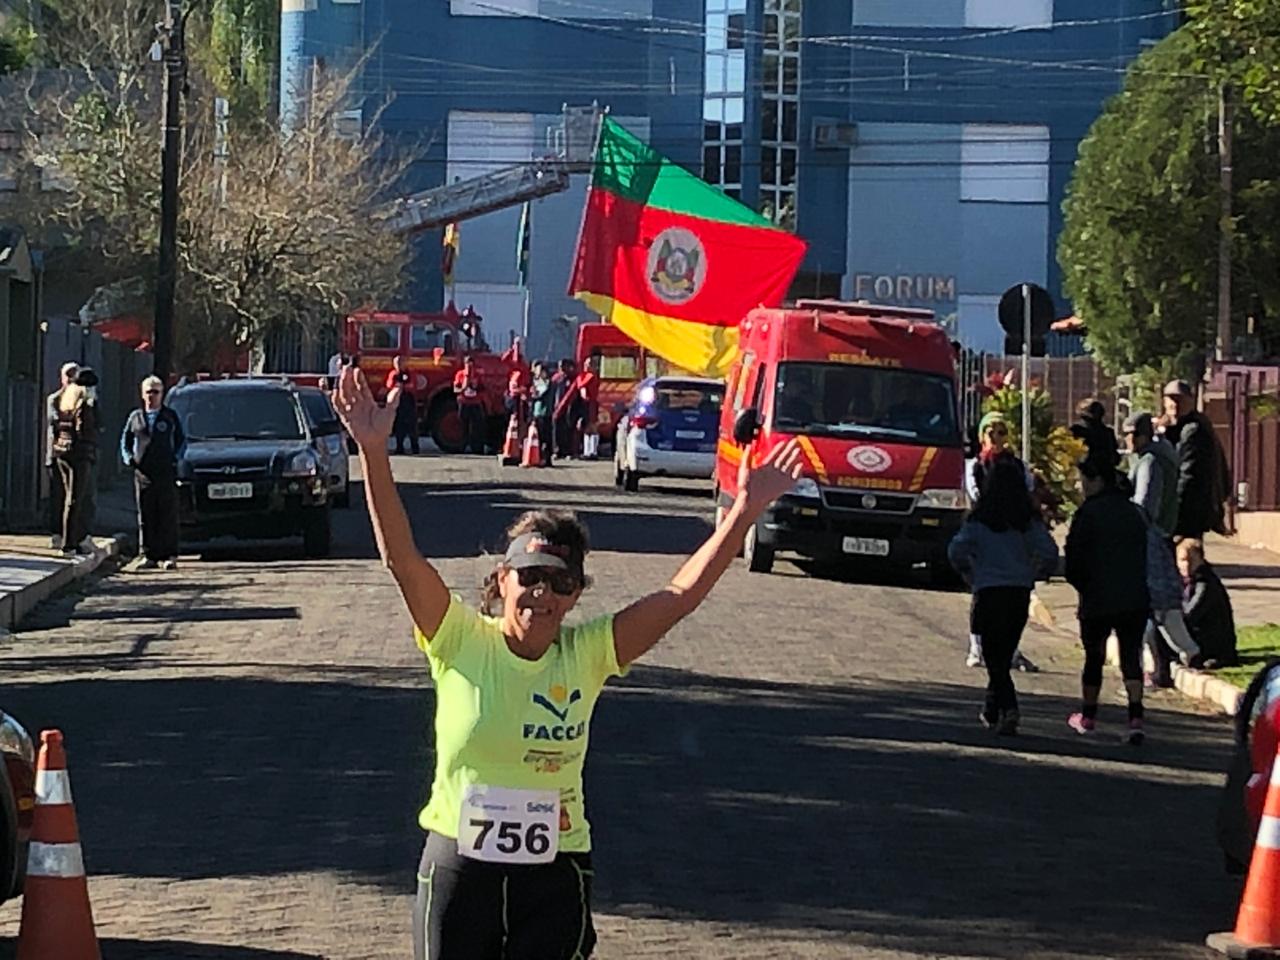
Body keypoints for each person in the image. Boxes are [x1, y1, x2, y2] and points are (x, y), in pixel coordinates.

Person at [331, 365, 802, 960]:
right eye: (529, 577)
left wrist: (743, 511)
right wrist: (373, 451)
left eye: (560, 584)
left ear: (577, 594)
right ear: (501, 581)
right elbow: (401, 556)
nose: (542, 595)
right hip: (460, 866)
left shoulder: (586, 655)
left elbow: (679, 596)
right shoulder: (457, 639)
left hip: (554, 873)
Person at [947, 453, 1059, 735]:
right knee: (1004, 653)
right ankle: (992, 708)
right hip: (1018, 593)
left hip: (988, 591)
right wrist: (1035, 572)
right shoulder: (1027, 522)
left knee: (993, 656)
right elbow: (1049, 552)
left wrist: (968, 572)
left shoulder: (980, 521)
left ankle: (1008, 708)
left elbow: (955, 550)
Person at [1064, 457, 1151, 744]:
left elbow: (1073, 560)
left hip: (1097, 596)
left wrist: (1082, 585)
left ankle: (1088, 716)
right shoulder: (1135, 513)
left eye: (1085, 481)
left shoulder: (1087, 513)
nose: (1082, 486)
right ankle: (1136, 718)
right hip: (1134, 595)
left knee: (1094, 657)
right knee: (1131, 656)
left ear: (1098, 481)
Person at [1124, 413, 1199, 685]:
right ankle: (1167, 662)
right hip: (1160, 535)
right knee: (1159, 605)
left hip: (1149, 539)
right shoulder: (1160, 456)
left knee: (1151, 605)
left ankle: (1160, 666)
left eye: (1131, 434)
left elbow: (1145, 506)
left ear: (1142, 435)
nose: (1127, 440)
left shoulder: (1150, 462)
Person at [962, 412, 1038, 673]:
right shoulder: (975, 466)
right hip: (985, 531)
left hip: (1013, 531)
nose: (996, 438)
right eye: (990, 432)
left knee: (1014, 606)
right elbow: (974, 494)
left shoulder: (1018, 466)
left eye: (1001, 432)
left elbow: (1028, 491)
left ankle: (1012, 651)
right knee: (981, 598)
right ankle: (976, 647)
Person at [121, 375, 185, 570]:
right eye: (148, 392)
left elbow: (181, 441)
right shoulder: (135, 417)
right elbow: (125, 440)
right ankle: (148, 554)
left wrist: (176, 459)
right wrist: (129, 458)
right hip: (143, 473)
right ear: (142, 394)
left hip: (165, 472)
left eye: (155, 392)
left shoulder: (170, 416)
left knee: (166, 513)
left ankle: (168, 555)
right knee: (146, 514)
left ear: (162, 394)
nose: (152, 396)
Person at [1163, 379, 1231, 541]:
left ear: (1190, 401)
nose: (1175, 404)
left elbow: (1189, 476)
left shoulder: (1194, 431)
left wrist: (1172, 512)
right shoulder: (1183, 427)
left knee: (1187, 558)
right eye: (1171, 399)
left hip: (1189, 513)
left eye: (1180, 399)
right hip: (1194, 511)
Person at [51, 367, 100, 556]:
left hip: (62, 451)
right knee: (76, 499)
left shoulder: (65, 401)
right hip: (80, 454)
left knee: (68, 498)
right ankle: (70, 543)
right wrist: (93, 439)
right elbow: (84, 429)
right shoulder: (85, 405)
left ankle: (71, 540)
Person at [1179, 539, 1239, 669]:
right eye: (1183, 560)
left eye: (1192, 560)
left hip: (1214, 645)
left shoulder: (1206, 583)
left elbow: (1192, 614)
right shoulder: (1183, 581)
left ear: (1201, 559)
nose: (1188, 564)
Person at [45, 361, 79, 550]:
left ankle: (74, 535)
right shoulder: (54, 399)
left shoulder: (83, 398)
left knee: (74, 495)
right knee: (57, 495)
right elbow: (57, 421)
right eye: (69, 375)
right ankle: (56, 532)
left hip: (76, 454)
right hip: (57, 452)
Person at [1070, 399, 1120, 476]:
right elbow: (1115, 458)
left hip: (1086, 476)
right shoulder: (1108, 433)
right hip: (1104, 477)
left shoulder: (1076, 430)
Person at [386, 357, 420, 456]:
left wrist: (402, 386)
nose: (398, 365)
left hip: (408, 400)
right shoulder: (393, 374)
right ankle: (399, 447)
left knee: (412, 425)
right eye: (396, 363)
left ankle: (415, 448)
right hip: (398, 401)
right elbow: (389, 385)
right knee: (399, 425)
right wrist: (397, 386)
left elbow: (413, 385)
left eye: (400, 363)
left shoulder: (410, 373)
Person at [453, 355, 486, 455]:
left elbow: (482, 388)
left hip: (475, 403)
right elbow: (455, 389)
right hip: (464, 402)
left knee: (477, 426)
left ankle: (476, 448)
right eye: (467, 364)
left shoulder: (478, 375)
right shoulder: (460, 375)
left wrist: (476, 389)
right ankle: (461, 446)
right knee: (463, 425)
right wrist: (462, 388)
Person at [530, 360, 555, 467]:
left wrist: (533, 393)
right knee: (537, 437)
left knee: (545, 437)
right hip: (536, 412)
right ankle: (538, 457)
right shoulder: (536, 381)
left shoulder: (547, 382)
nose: (537, 372)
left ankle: (546, 458)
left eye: (539, 370)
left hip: (544, 413)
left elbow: (538, 394)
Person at [551, 358, 577, 459]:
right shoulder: (556, 378)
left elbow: (571, 395)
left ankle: (568, 452)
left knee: (569, 430)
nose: (561, 368)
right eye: (560, 366)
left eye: (563, 366)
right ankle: (557, 450)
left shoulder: (572, 379)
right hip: (556, 408)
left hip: (569, 408)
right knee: (556, 430)